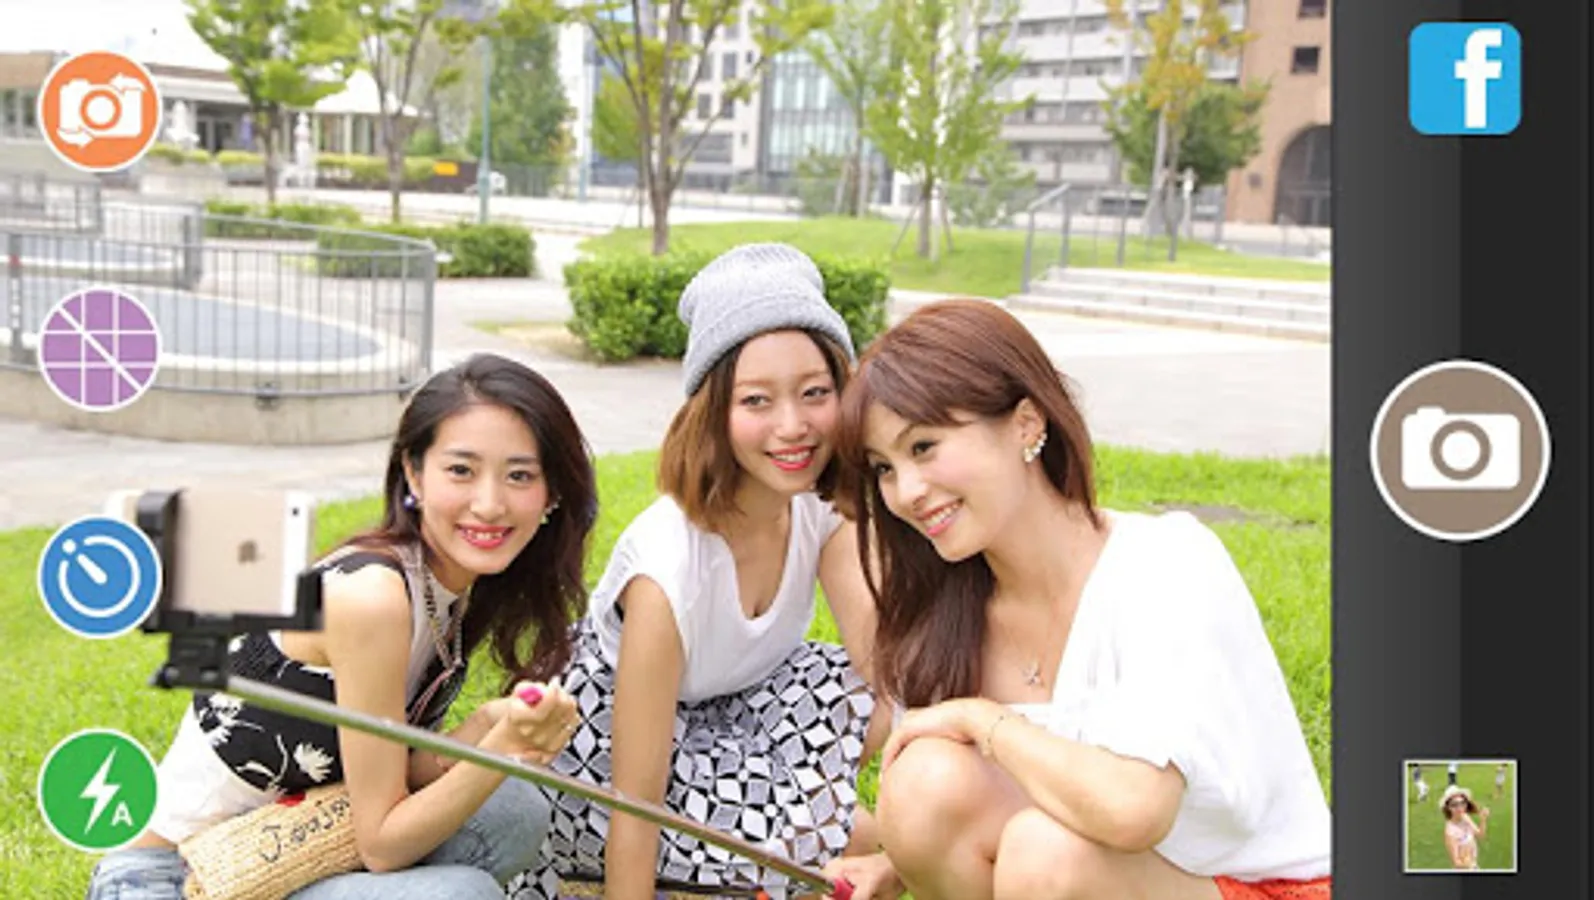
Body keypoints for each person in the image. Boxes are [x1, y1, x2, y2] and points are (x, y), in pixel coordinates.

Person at [821, 300, 1332, 900]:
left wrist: (981, 718)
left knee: (1045, 855)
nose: (906, 491)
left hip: (1263, 888)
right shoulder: (945, 610)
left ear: (1026, 423)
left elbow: (1133, 809)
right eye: (883, 468)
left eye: (924, 447)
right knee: (926, 784)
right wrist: (894, 867)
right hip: (1110, 878)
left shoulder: (1161, 563)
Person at [86, 353, 598, 900]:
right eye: (461, 471)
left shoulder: (448, 585)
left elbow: (388, 772)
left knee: (513, 810)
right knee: (457, 895)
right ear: (413, 473)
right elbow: (382, 843)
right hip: (171, 878)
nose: (489, 504)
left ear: (551, 494)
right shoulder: (371, 597)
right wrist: (497, 751)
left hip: (293, 847)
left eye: (519, 475)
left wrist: (484, 727)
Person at [507, 244, 888, 900]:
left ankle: (772, 821)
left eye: (815, 393)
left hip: (724, 714)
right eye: (757, 400)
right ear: (713, 412)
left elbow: (893, 671)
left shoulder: (823, 509)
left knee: (880, 737)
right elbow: (634, 802)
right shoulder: (670, 567)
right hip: (596, 751)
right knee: (842, 844)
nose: (793, 426)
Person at [1441, 785, 1489, 870]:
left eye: (1462, 803)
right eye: (1454, 805)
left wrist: (1483, 820)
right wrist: (1469, 865)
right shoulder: (1450, 831)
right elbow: (1456, 863)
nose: (1459, 808)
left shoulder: (1465, 817)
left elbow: (1480, 835)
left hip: (1474, 866)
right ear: (1448, 807)